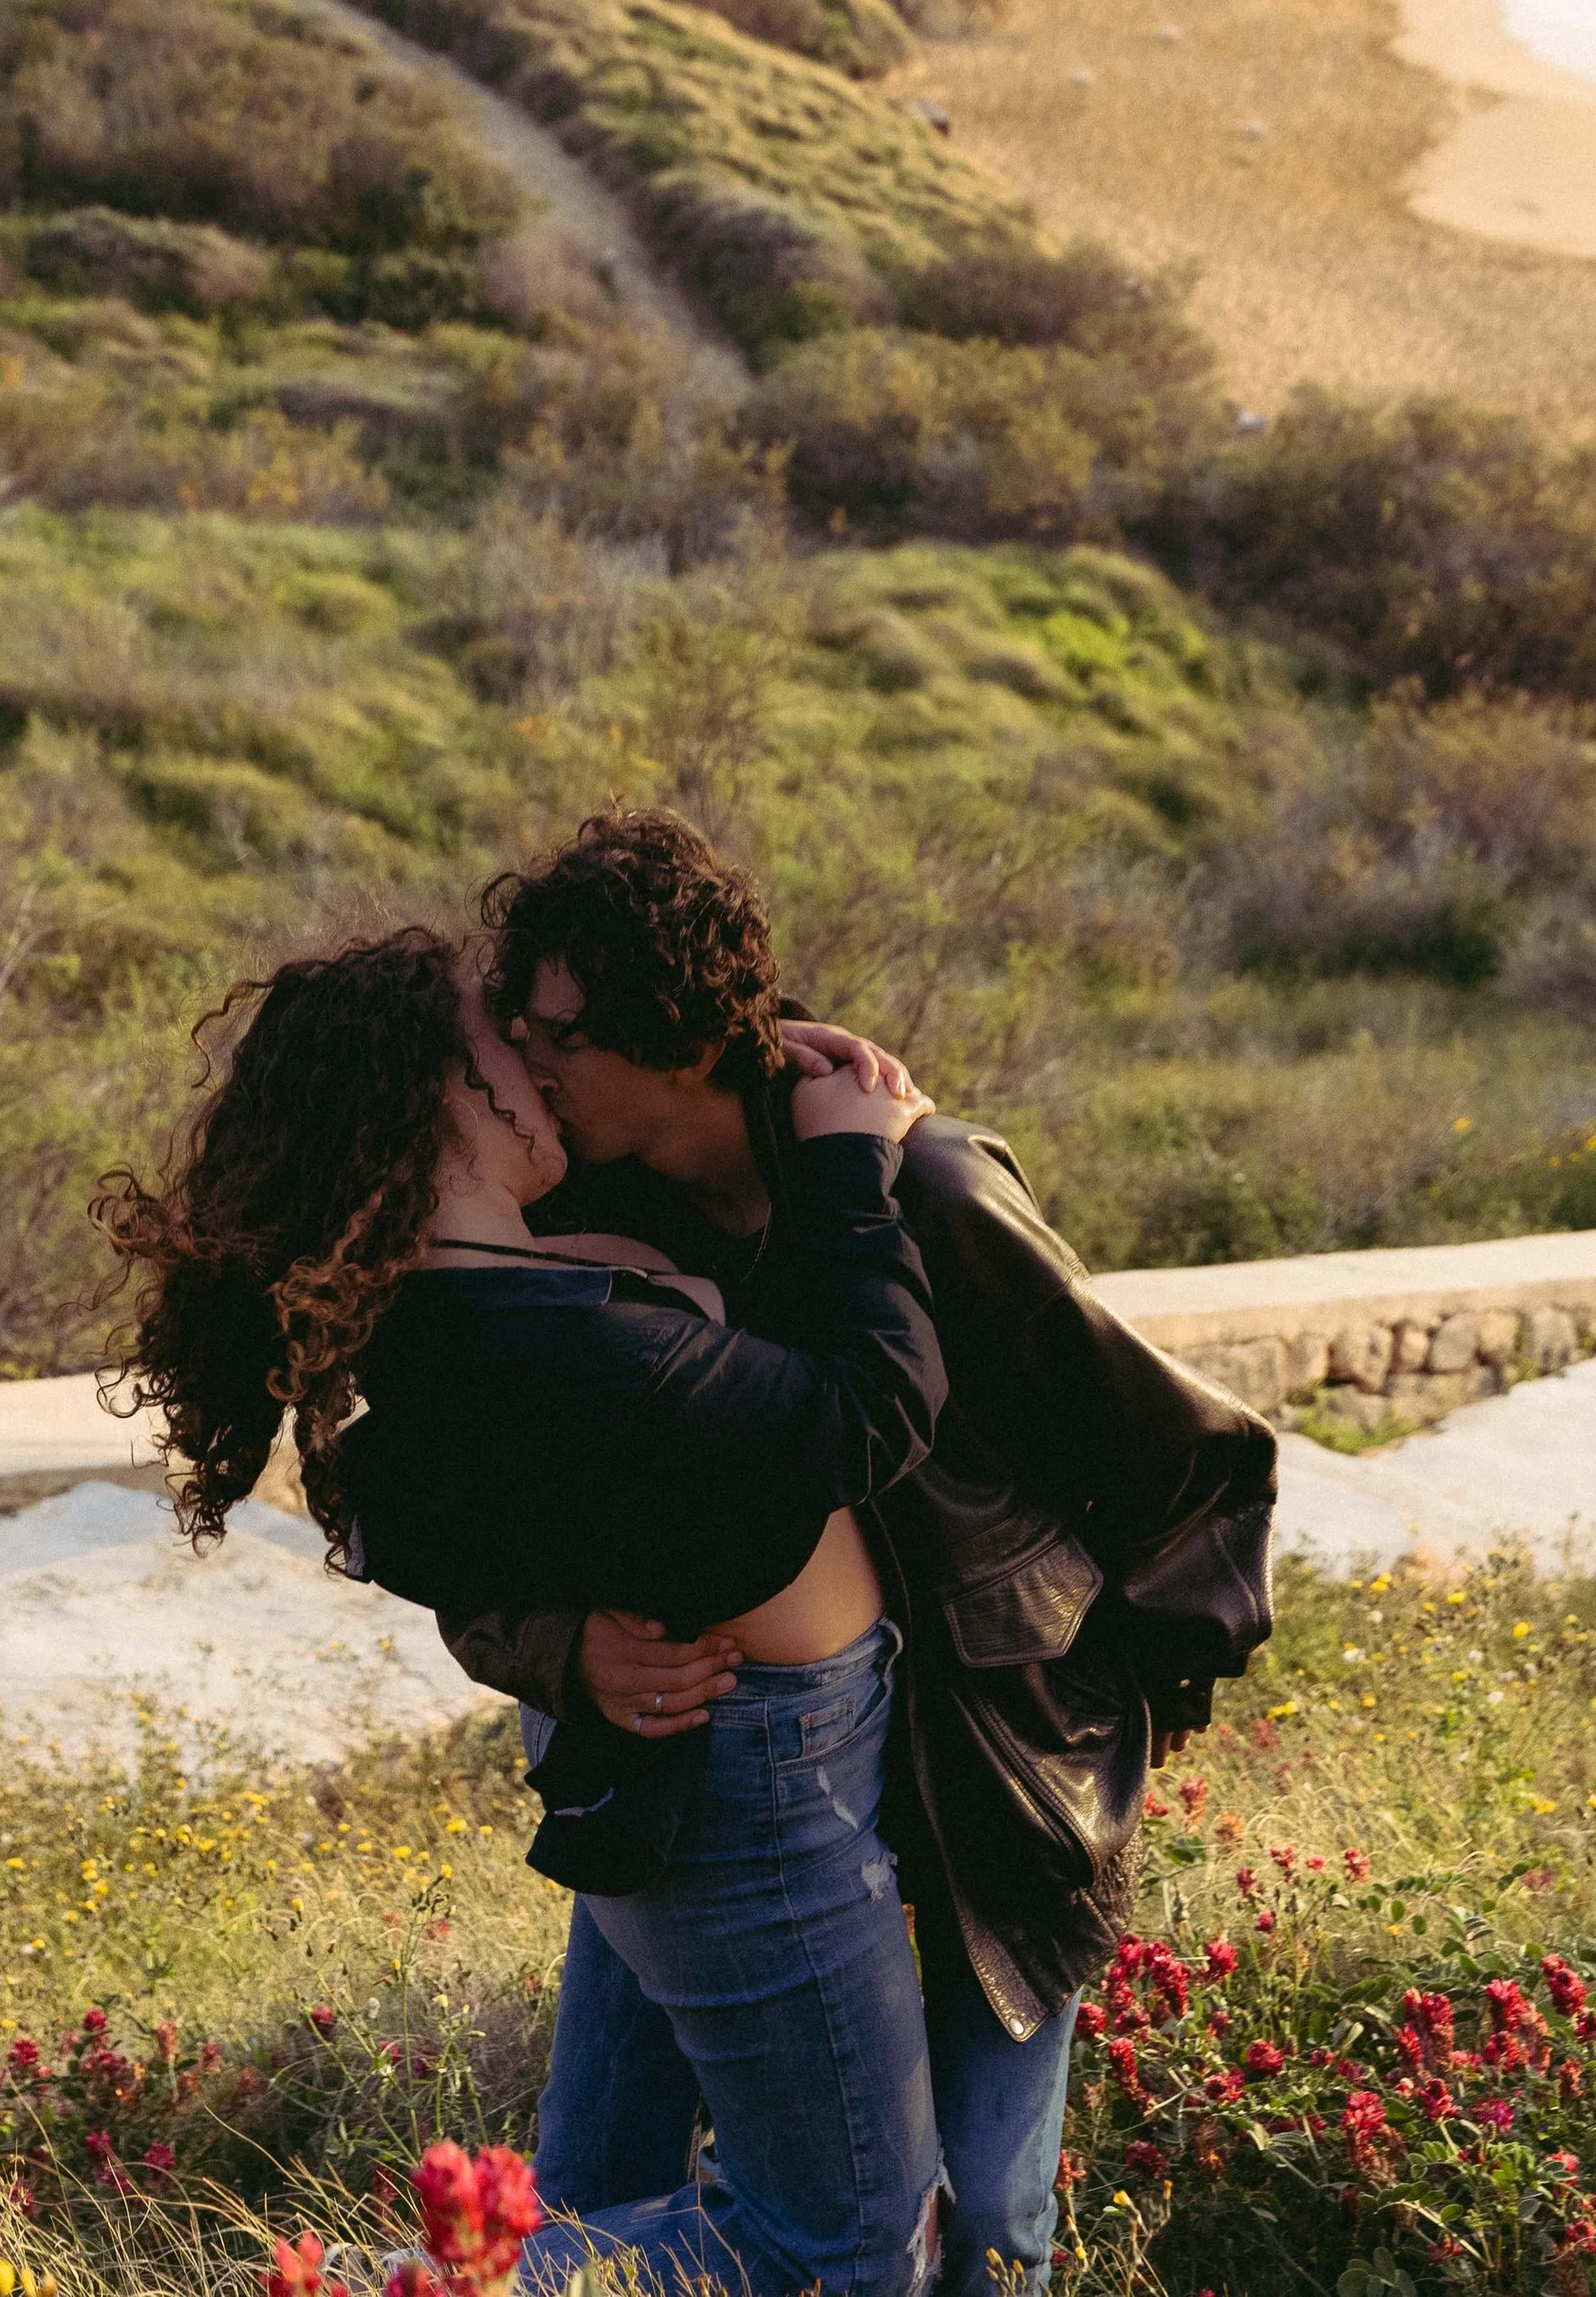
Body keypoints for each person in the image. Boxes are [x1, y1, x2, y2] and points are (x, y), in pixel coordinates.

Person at [453, 811, 1279, 2297]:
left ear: (689, 1037)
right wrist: (557, 1641)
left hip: (990, 1773)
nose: (535, 1061)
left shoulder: (935, 1195)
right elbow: (466, 1513)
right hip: (718, 1773)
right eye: (520, 1026)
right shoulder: (581, 1211)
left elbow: (1194, 1465)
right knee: (586, 2194)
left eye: (562, 1030)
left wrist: (1103, 1729)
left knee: (976, 2232)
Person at [96, 925, 955, 2297]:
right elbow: (870, 1409)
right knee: (839, 2242)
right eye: (512, 1034)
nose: (546, 1057)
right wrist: (858, 1157)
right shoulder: (536, 1338)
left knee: (609, 2194)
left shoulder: (479, 1282)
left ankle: (469, 2274)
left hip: (691, 1757)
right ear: (450, 1089)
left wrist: (740, 1054)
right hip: (750, 1782)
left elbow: (398, 1513)